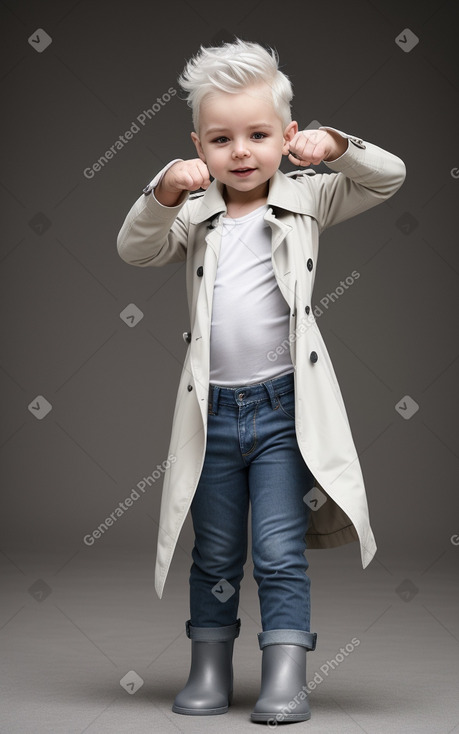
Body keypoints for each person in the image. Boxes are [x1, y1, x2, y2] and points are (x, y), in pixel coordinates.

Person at [117, 38, 406, 724]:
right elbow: (135, 247)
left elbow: (387, 177)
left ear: (287, 137)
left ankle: (285, 675)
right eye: (221, 139)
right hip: (211, 414)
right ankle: (210, 669)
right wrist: (163, 189)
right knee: (213, 549)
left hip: (283, 410)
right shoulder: (195, 214)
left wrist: (336, 146)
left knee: (278, 550)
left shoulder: (308, 199)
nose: (240, 152)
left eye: (257, 135)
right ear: (198, 146)